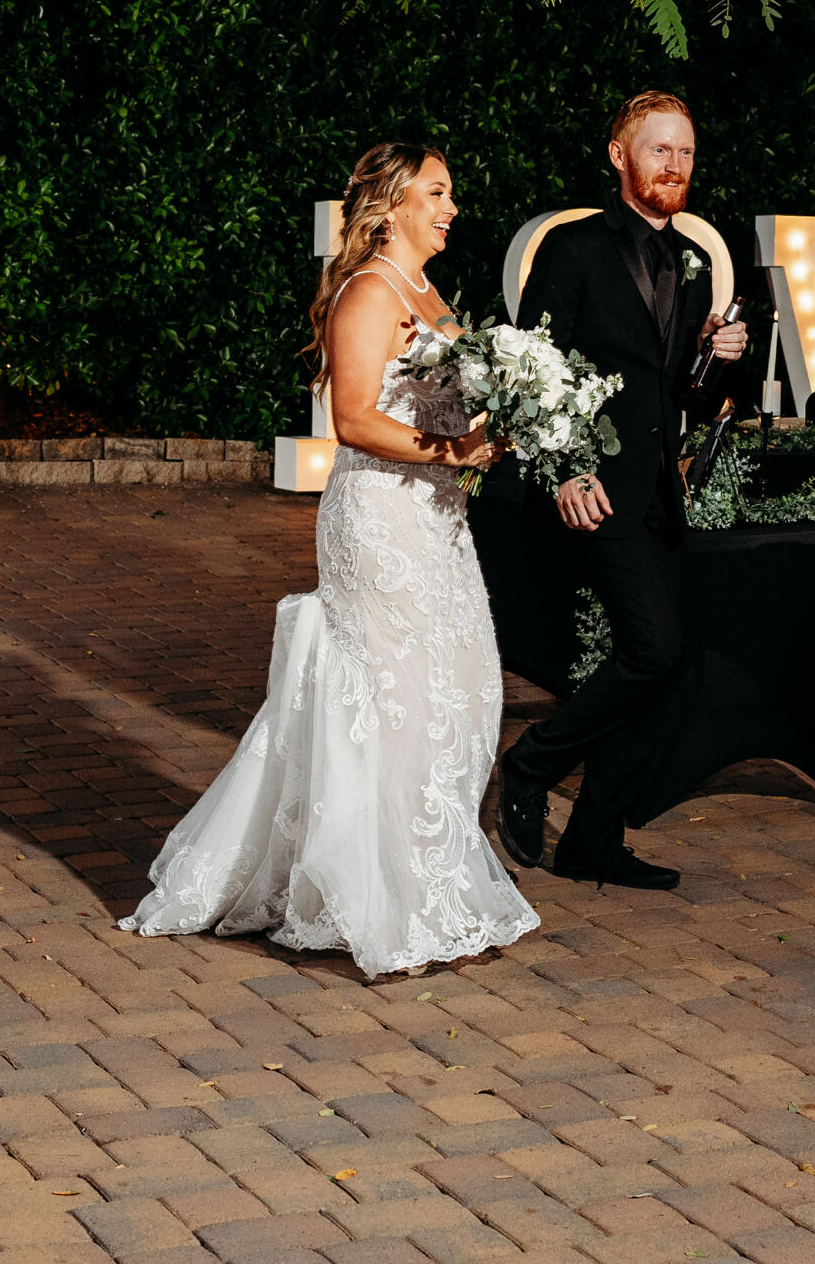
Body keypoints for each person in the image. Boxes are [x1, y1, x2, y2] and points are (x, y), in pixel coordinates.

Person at [122, 143, 540, 977]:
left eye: (450, 192)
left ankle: (433, 885)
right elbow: (352, 417)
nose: (451, 207)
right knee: (396, 699)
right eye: (436, 192)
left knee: (461, 688)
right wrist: (450, 446)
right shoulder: (369, 291)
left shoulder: (430, 292)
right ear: (390, 206)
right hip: (381, 517)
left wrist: (511, 418)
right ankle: (388, 902)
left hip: (438, 518)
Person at [491, 91, 748, 890]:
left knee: (663, 666)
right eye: (659, 150)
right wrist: (565, 468)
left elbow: (687, 403)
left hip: (656, 494)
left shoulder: (694, 265)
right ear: (619, 156)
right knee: (655, 647)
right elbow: (530, 374)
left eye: (686, 153)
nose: (674, 166)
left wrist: (721, 358)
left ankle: (593, 839)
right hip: (591, 489)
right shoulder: (572, 250)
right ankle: (530, 765)